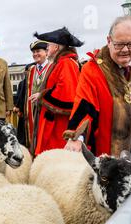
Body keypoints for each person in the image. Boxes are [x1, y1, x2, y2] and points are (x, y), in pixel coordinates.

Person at [64, 16, 131, 180]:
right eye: (119, 44)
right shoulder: (93, 69)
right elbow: (85, 106)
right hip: (111, 156)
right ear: (109, 40)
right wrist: (77, 137)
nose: (125, 50)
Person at [31, 27, 83, 156]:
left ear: (57, 47)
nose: (47, 47)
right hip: (54, 122)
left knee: (55, 157)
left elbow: (67, 92)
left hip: (57, 125)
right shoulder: (61, 62)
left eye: (49, 44)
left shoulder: (66, 63)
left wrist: (43, 96)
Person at [14, 40, 50, 154]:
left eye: (38, 51)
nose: (35, 54)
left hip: (46, 111)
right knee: (30, 141)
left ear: (46, 52)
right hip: (31, 113)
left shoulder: (53, 67)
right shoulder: (31, 70)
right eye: (33, 52)